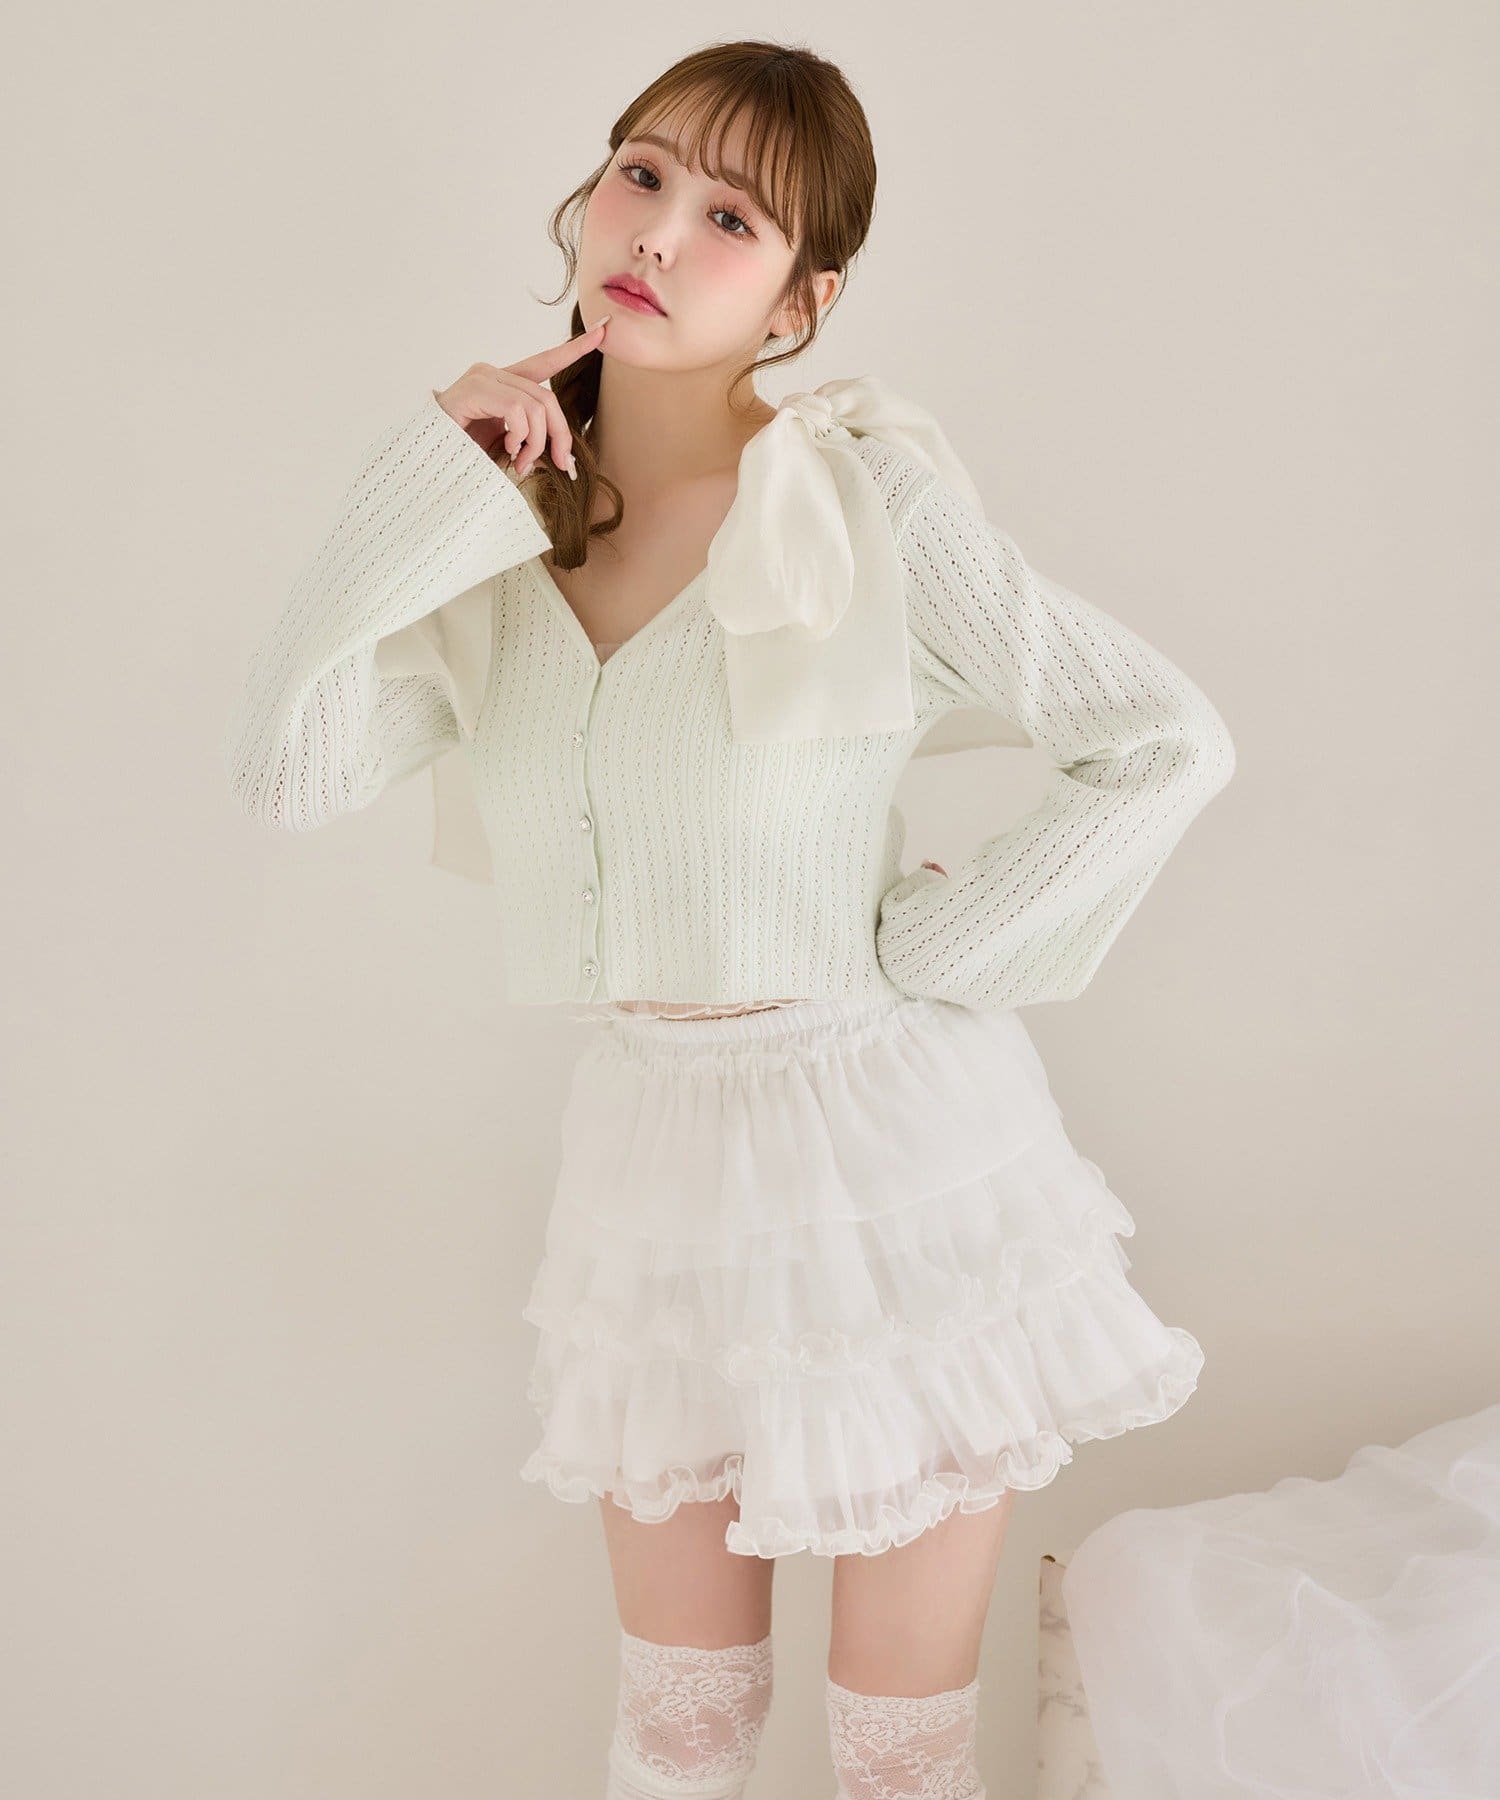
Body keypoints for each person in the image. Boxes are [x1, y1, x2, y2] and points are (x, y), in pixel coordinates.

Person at [223, 38, 1236, 1800]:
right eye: (641, 174)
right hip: (648, 1159)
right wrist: (427, 472)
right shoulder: (497, 542)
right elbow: (288, 771)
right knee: (679, 1731)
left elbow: (1161, 740)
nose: (658, 234)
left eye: (731, 217)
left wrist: (940, 952)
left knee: (893, 1754)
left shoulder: (858, 503)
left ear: (801, 297)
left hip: (893, 1162)